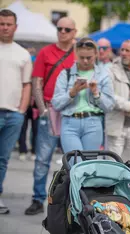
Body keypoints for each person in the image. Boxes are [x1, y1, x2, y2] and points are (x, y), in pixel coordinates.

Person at [25, 17, 77, 215]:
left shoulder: (79, 53)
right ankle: (38, 199)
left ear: (74, 32)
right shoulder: (45, 52)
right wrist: (43, 109)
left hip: (72, 112)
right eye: (59, 28)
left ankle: (72, 201)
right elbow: (37, 81)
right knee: (43, 158)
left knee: (73, 159)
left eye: (67, 29)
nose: (62, 32)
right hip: (50, 109)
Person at [52, 38, 115, 155]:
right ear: (76, 55)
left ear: (96, 54)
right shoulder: (65, 74)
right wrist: (72, 92)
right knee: (75, 162)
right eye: (82, 58)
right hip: (70, 122)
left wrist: (96, 93)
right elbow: (56, 103)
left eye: (89, 58)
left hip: (93, 122)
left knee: (89, 165)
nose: (85, 61)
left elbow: (109, 106)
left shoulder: (103, 75)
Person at [0, 9, 32, 214]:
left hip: (13, 115)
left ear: (15, 27)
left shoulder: (23, 54)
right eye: (1, 23)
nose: (4, 27)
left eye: (8, 24)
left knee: (3, 159)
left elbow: (26, 84)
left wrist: (21, 111)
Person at [105, 39, 130, 168]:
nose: (123, 53)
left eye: (128, 50)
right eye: (122, 50)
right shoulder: (111, 69)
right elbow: (108, 94)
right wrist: (128, 106)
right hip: (116, 124)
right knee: (112, 166)